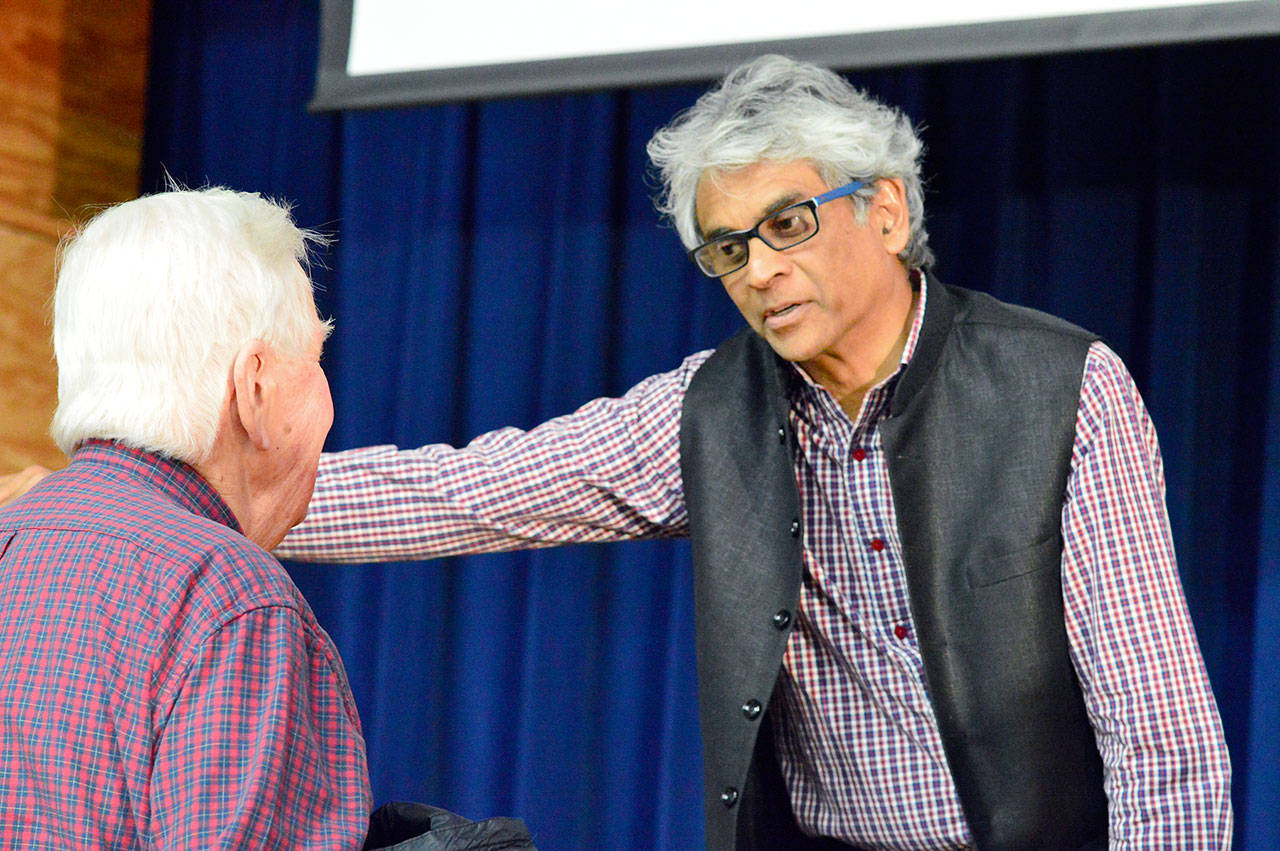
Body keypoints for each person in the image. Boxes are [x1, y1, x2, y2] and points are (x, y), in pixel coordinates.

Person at [2, 57, 1232, 848]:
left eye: (787, 224)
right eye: (726, 248)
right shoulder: (705, 409)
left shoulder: (1062, 386)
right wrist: (164, 505)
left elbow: (1158, 728)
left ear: (889, 210)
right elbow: (463, 490)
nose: (758, 268)